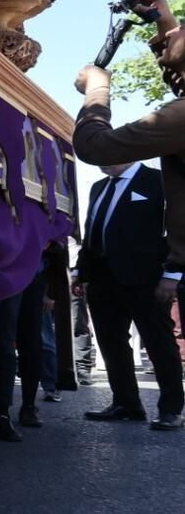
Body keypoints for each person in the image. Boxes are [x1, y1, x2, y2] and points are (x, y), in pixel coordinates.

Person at [72, 161, 184, 430]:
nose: (98, 160)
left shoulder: (158, 180)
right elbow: (93, 230)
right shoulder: (99, 188)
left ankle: (171, 409)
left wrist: (173, 273)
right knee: (111, 344)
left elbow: (178, 228)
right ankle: (126, 403)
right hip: (101, 279)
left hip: (147, 279)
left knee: (159, 343)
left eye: (104, 151)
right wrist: (80, 270)